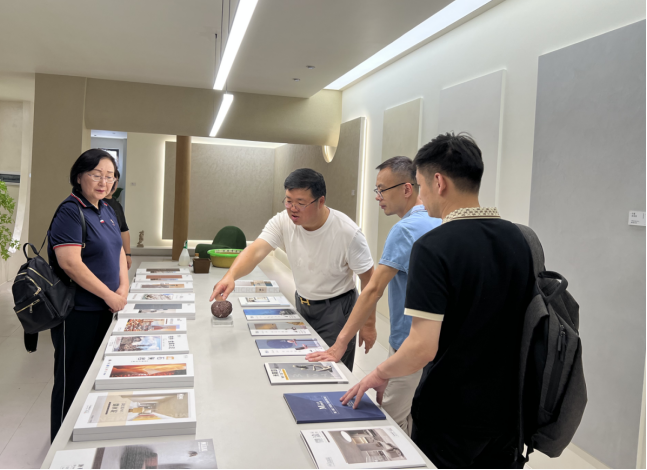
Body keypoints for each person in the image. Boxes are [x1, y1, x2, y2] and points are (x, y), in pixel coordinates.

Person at [340, 133, 535, 469]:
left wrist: (379, 373)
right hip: (509, 413)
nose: (420, 196)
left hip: (451, 413)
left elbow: (422, 347)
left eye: (420, 185)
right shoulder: (520, 238)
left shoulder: (433, 247)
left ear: (439, 183)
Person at [307, 156, 440, 435]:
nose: (378, 197)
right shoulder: (439, 221)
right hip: (438, 345)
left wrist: (340, 343)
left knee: (390, 425)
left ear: (407, 188)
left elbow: (372, 290)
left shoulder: (404, 229)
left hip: (409, 344)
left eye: (382, 190)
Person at [210, 168, 374, 371]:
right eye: (288, 201)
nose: (292, 209)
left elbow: (370, 281)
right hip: (303, 303)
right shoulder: (283, 221)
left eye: (300, 203)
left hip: (337, 309)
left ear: (321, 201)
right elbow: (255, 250)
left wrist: (368, 324)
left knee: (331, 370)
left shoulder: (347, 232)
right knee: (304, 364)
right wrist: (230, 276)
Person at [48, 149, 129, 441]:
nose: (103, 182)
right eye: (96, 175)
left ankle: (88, 433)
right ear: (79, 176)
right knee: (73, 380)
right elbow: (70, 263)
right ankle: (61, 443)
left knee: (98, 376)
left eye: (110, 176)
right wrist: (109, 295)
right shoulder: (70, 211)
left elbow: (118, 250)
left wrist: (123, 288)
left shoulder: (107, 209)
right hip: (78, 312)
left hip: (106, 309)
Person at [103, 169, 132, 269]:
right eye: (109, 178)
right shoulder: (96, 203)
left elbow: (124, 230)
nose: (113, 184)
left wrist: (128, 254)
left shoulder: (117, 205)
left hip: (117, 255)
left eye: (115, 180)